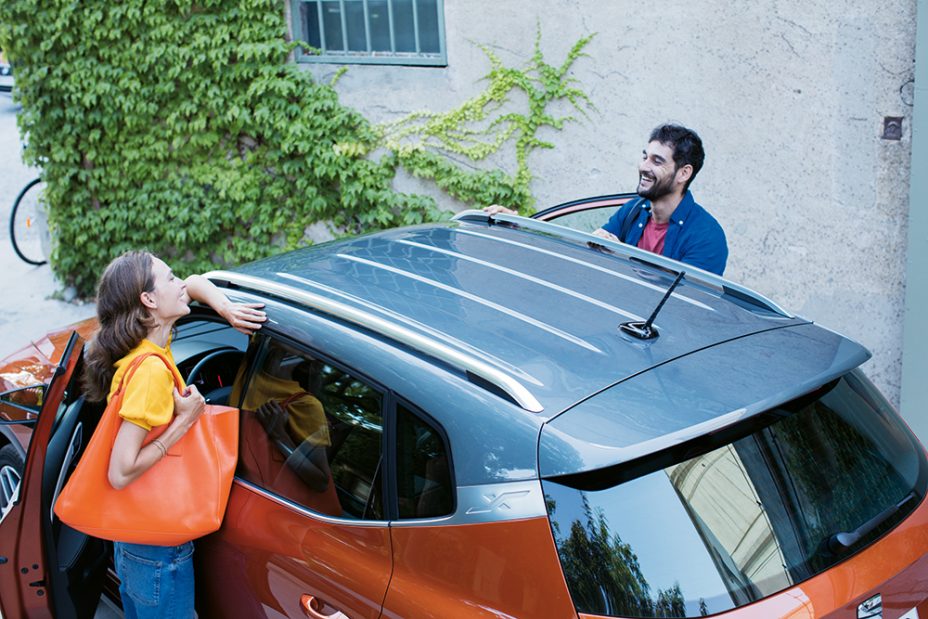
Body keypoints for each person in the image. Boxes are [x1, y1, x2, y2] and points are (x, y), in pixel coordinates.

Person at [81, 250, 266, 619]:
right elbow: (120, 471)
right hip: (157, 553)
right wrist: (186, 420)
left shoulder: (151, 347)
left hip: (140, 542)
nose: (180, 284)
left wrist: (226, 309)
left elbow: (196, 283)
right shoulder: (150, 372)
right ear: (148, 301)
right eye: (169, 279)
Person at [486, 123, 728, 276]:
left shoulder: (707, 236)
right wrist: (522, 228)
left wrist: (622, 257)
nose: (643, 167)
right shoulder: (634, 211)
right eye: (645, 157)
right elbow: (585, 255)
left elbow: (687, 308)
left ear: (683, 173)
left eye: (657, 161)